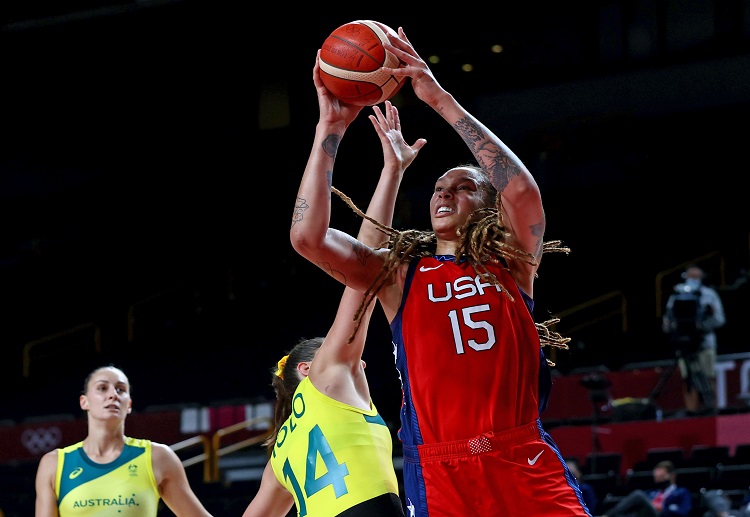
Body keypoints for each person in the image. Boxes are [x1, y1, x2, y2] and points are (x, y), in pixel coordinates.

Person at [290, 23, 586, 517]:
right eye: (437, 188)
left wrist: (439, 99)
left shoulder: (512, 262)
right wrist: (330, 131)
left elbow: (523, 193)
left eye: (464, 186)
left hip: (522, 457)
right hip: (442, 470)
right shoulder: (400, 274)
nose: (444, 193)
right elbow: (307, 238)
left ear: (490, 206)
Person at [242, 99, 424, 517]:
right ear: (306, 369)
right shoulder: (328, 374)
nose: (355, 357)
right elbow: (366, 267)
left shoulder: (280, 455)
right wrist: (392, 173)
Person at [34, 365, 213, 517]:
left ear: (128, 405)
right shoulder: (55, 463)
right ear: (84, 402)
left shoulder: (157, 457)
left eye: (120, 389)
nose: (113, 395)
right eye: (102, 388)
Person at [663, 265, 726, 414]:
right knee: (688, 380)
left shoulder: (709, 295)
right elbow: (668, 321)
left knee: (708, 377)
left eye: (696, 277)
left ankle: (712, 411)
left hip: (705, 343)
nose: (693, 280)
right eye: (690, 277)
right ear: (685, 277)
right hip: (684, 344)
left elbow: (720, 319)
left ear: (701, 278)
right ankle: (692, 413)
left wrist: (701, 324)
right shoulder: (676, 295)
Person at [598, 460, 691, 517]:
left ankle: (606, 515)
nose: (659, 478)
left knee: (638, 494)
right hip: (645, 514)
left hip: (661, 515)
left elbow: (683, 512)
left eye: (663, 475)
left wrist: (663, 509)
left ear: (672, 476)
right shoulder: (652, 492)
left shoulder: (681, 492)